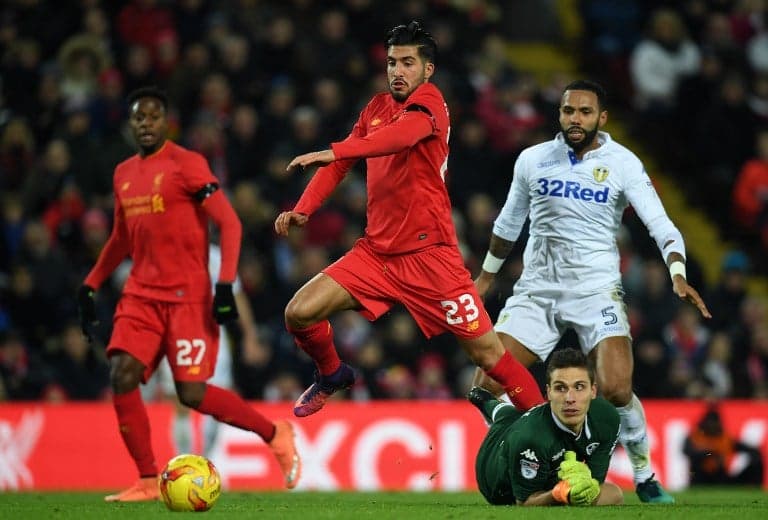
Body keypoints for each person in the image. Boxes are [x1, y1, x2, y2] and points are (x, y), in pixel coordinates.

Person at [273, 21, 544, 418]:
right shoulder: (377, 108)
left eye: (408, 63)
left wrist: (333, 150)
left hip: (431, 256)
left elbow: (398, 139)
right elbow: (346, 161)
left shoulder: (431, 103)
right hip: (378, 254)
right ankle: (332, 374)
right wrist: (304, 208)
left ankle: (555, 439)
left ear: (427, 70)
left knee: (490, 357)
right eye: (392, 63)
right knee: (298, 313)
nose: (398, 71)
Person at [472, 79, 711, 504]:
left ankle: (645, 473)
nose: (574, 119)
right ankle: (526, 462)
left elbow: (661, 224)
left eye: (584, 112)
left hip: (596, 290)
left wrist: (677, 271)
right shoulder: (533, 159)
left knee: (617, 389)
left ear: (602, 118)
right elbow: (508, 224)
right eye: (568, 112)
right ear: (559, 115)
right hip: (537, 290)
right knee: (485, 385)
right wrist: (487, 277)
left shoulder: (623, 163)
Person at [77, 86, 300, 502]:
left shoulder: (187, 165)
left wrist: (224, 286)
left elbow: (230, 225)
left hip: (188, 297)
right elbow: (120, 238)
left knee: (191, 394)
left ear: (167, 121)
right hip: (141, 294)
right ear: (131, 124)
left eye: (153, 117)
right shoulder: (124, 173)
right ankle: (146, 479)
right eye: (139, 118)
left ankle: (275, 433)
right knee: (122, 373)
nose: (146, 124)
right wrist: (90, 283)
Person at [142, 242, 267, 458]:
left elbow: (236, 296)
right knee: (181, 402)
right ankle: (184, 462)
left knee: (217, 401)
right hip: (176, 335)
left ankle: (207, 462)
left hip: (212, 335)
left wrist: (249, 337)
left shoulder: (216, 256)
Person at [470, 348, 624, 506]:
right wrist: (560, 494)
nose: (570, 398)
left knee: (615, 494)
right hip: (496, 479)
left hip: (540, 452)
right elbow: (525, 502)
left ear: (593, 391)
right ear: (548, 393)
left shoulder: (607, 419)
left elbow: (594, 483)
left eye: (579, 387)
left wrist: (582, 487)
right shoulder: (531, 438)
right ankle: (488, 403)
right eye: (560, 388)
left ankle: (490, 404)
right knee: (508, 419)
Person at [683, 403, 764, 486]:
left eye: (715, 423)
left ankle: (754, 488)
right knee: (695, 466)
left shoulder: (725, 439)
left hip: (721, 478)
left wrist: (755, 452)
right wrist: (710, 452)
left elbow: (751, 451)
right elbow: (687, 451)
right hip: (700, 477)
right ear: (705, 423)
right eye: (711, 422)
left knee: (757, 461)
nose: (713, 426)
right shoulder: (695, 437)